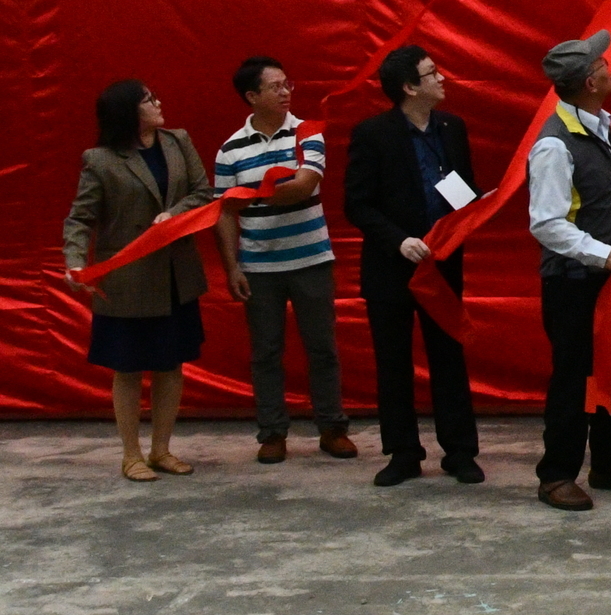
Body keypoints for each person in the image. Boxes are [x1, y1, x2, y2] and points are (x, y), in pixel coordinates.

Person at [527, 29, 611, 512]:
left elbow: (608, 184)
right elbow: (545, 223)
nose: (610, 66)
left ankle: (609, 462)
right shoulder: (554, 145)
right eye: (602, 63)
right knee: (575, 378)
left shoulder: (598, 126)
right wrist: (603, 253)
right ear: (589, 81)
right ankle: (556, 474)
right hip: (576, 283)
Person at [344, 46, 485, 488]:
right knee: (393, 361)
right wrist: (398, 240)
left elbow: (461, 190)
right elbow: (357, 204)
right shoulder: (373, 134)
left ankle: (460, 451)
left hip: (442, 264)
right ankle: (403, 452)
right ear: (409, 87)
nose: (441, 79)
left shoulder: (452, 128)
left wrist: (480, 206)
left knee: (448, 356)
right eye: (431, 73)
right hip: (392, 266)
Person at [63, 81, 215, 481]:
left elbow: (204, 192)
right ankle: (130, 454)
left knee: (170, 364)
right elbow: (80, 218)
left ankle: (161, 449)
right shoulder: (100, 159)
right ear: (129, 112)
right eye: (149, 99)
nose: (159, 102)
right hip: (127, 279)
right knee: (127, 368)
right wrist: (76, 261)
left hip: (175, 276)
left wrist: (175, 215)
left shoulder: (178, 141)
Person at [212, 56, 353, 465]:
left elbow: (305, 185)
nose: (286, 92)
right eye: (275, 87)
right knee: (265, 352)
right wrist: (231, 266)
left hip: (311, 258)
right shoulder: (229, 150)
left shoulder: (307, 133)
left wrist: (251, 192)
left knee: (322, 347)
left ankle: (332, 427)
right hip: (258, 265)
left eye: (288, 84)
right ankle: (272, 433)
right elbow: (223, 212)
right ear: (252, 96)